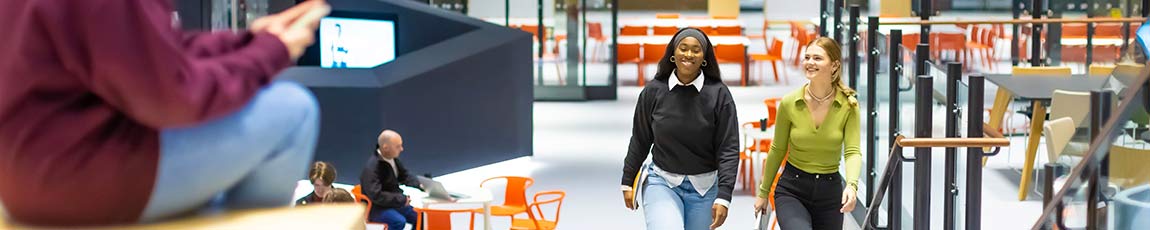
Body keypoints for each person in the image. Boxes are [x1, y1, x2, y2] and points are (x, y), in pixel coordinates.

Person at [0, 0, 327, 226]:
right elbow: (175, 98)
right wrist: (271, 52)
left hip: (29, 174)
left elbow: (150, 54)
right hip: (73, 179)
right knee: (292, 111)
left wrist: (250, 40)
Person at [620, 28, 740, 230]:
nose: (689, 54)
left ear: (704, 57)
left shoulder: (719, 94)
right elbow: (640, 138)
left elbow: (728, 148)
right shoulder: (653, 91)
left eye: (696, 50)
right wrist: (627, 179)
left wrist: (724, 196)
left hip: (705, 186)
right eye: (683, 48)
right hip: (662, 181)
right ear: (673, 54)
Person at [753, 37, 862, 230]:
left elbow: (852, 151)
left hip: (830, 193)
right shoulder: (789, 103)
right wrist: (763, 193)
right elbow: (777, 150)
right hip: (792, 190)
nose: (810, 62)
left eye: (817, 58)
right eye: (807, 57)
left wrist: (852, 186)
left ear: (834, 65)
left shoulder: (849, 105)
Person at [361, 130, 423, 230]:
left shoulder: (393, 159)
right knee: (398, 222)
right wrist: (401, 200)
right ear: (386, 147)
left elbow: (404, 176)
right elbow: (376, 195)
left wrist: (419, 184)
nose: (402, 149)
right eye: (398, 146)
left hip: (392, 203)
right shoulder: (372, 168)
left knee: (420, 217)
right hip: (376, 208)